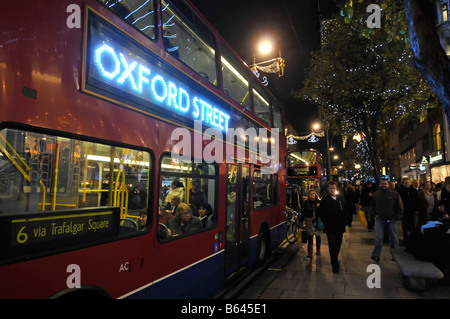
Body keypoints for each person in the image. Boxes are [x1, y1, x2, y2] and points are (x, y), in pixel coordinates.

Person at [370, 179, 403, 262]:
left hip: (392, 219)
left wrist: (396, 217)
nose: (384, 185)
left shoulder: (394, 194)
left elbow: (400, 207)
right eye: (382, 183)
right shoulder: (376, 194)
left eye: (385, 183)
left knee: (394, 237)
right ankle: (376, 255)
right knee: (378, 236)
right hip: (380, 219)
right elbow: (372, 205)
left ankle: (395, 255)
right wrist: (374, 214)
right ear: (380, 184)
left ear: (388, 184)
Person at [318, 181, 347, 273]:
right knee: (332, 244)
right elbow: (321, 213)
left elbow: (346, 209)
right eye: (330, 188)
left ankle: (335, 257)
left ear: (336, 188)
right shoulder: (325, 199)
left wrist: (345, 220)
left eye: (333, 188)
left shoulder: (341, 198)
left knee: (338, 244)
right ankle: (334, 264)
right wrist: (326, 222)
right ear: (327, 189)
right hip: (330, 227)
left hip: (340, 226)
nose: (332, 190)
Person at [396, 177, 420, 243]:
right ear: (403, 183)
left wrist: (417, 210)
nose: (406, 184)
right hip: (404, 212)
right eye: (405, 182)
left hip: (413, 211)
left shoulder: (414, 191)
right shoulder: (400, 191)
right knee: (405, 226)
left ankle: (413, 239)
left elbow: (418, 201)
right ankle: (406, 239)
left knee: (413, 226)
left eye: (407, 182)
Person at [303, 189, 322, 258]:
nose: (312, 195)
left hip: (317, 221)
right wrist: (301, 221)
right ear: (308, 195)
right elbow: (304, 212)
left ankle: (318, 250)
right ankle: (310, 252)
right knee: (310, 236)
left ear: (315, 194)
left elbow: (322, 212)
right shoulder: (306, 202)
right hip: (309, 221)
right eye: (310, 194)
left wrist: (318, 206)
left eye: (313, 193)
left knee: (318, 235)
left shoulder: (319, 201)